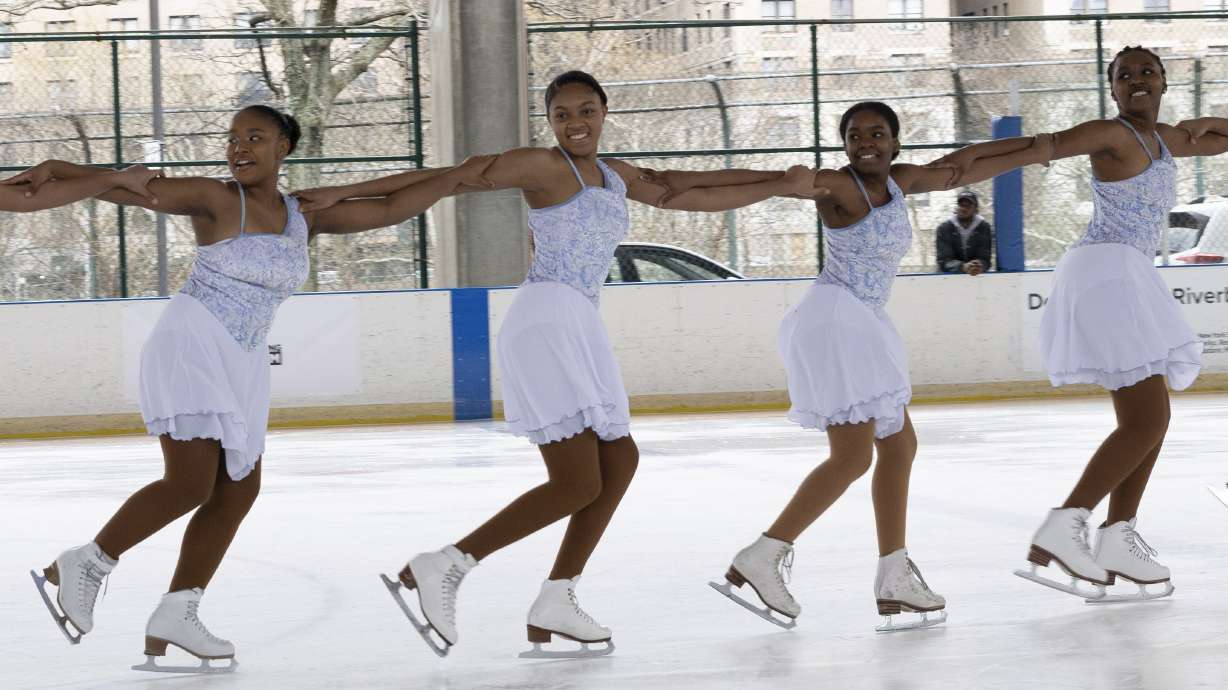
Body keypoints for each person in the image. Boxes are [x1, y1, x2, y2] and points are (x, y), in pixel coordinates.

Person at [299, 70, 813, 658]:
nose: (576, 123)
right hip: (546, 319)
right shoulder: (541, 167)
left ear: (604, 113)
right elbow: (451, 177)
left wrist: (777, 182)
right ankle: (447, 563)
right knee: (576, 480)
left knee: (619, 460)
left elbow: (685, 188)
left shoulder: (615, 176)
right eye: (563, 114)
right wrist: (343, 192)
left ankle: (557, 596)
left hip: (577, 322)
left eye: (586, 111)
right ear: (549, 121)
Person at [10, 104, 494, 672]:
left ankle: (178, 609)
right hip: (193, 341)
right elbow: (120, 188)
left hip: (242, 360)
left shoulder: (302, 215)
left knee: (238, 487)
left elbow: (390, 205)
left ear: (283, 147)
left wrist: (457, 175)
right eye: (233, 137)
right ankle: (85, 562)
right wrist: (58, 167)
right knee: (190, 483)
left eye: (255, 137)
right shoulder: (216, 198)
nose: (239, 146)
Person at [661, 101, 1051, 632]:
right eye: (854, 134)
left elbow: (966, 164)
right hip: (838, 318)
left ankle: (893, 572)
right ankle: (764, 554)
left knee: (899, 445)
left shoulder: (901, 181)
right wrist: (665, 185)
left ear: (894, 141)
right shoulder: (840, 187)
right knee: (851, 457)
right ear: (843, 144)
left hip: (859, 318)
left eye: (877, 132)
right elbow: (761, 182)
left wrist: (1035, 149)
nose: (865, 141)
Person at [1014, 46, 1228, 603]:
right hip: (1107, 270)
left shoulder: (1170, 140)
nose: (1137, 80)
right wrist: (967, 164)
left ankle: (1117, 536)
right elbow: (1051, 146)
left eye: (1147, 72)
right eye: (1124, 74)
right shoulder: (1109, 133)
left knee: (1152, 418)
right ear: (1112, 89)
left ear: (1163, 83)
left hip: (1128, 272)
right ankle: (1067, 523)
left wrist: (1211, 123)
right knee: (1146, 420)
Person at [936, 190, 993, 275]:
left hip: (977, 276)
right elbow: (944, 261)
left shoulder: (984, 227)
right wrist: (963, 267)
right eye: (961, 205)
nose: (963, 208)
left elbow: (985, 258)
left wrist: (979, 266)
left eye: (968, 205)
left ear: (976, 209)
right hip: (949, 278)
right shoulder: (944, 228)